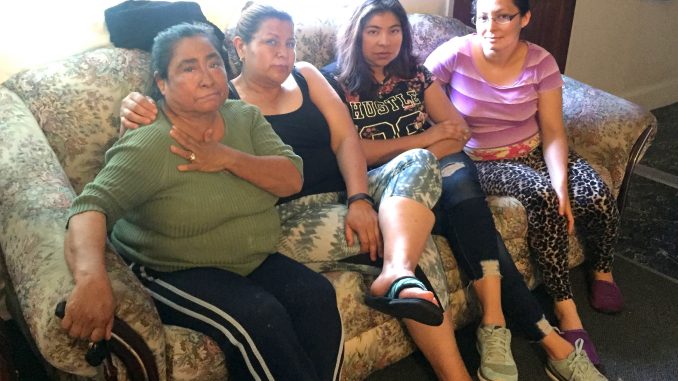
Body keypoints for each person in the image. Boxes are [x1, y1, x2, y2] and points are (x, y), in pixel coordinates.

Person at [120, 3, 473, 380]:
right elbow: (171, 108)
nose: (284, 53)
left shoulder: (306, 75)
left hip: (350, 192)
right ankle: (453, 369)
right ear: (240, 46)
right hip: (291, 213)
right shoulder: (224, 99)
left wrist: (360, 199)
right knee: (411, 243)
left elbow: (346, 140)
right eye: (271, 42)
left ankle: (396, 272)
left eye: (289, 43)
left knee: (418, 160)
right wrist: (133, 108)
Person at [328, 0, 608, 380]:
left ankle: (495, 326)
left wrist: (427, 147)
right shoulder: (335, 83)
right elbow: (355, 152)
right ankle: (549, 342)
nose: (384, 41)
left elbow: (457, 134)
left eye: (394, 30)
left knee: (464, 190)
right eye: (373, 31)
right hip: (391, 188)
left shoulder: (415, 75)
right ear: (356, 34)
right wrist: (426, 139)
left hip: (440, 172)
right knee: (471, 211)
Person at [61, 23, 344, 381]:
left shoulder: (245, 117)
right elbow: (90, 207)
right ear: (162, 83)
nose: (208, 77)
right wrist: (90, 279)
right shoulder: (151, 141)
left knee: (317, 296)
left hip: (251, 257)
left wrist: (226, 157)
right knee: (260, 318)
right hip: (173, 267)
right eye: (188, 67)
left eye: (213, 63)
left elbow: (291, 178)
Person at [425, 0, 622, 374]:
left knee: (594, 196)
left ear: (525, 18)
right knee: (542, 196)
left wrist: (561, 182)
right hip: (483, 160)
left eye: (503, 16)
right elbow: (414, 92)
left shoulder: (540, 62)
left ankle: (602, 269)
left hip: (533, 149)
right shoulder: (454, 54)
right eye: (483, 17)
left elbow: (552, 131)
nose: (491, 26)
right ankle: (566, 310)